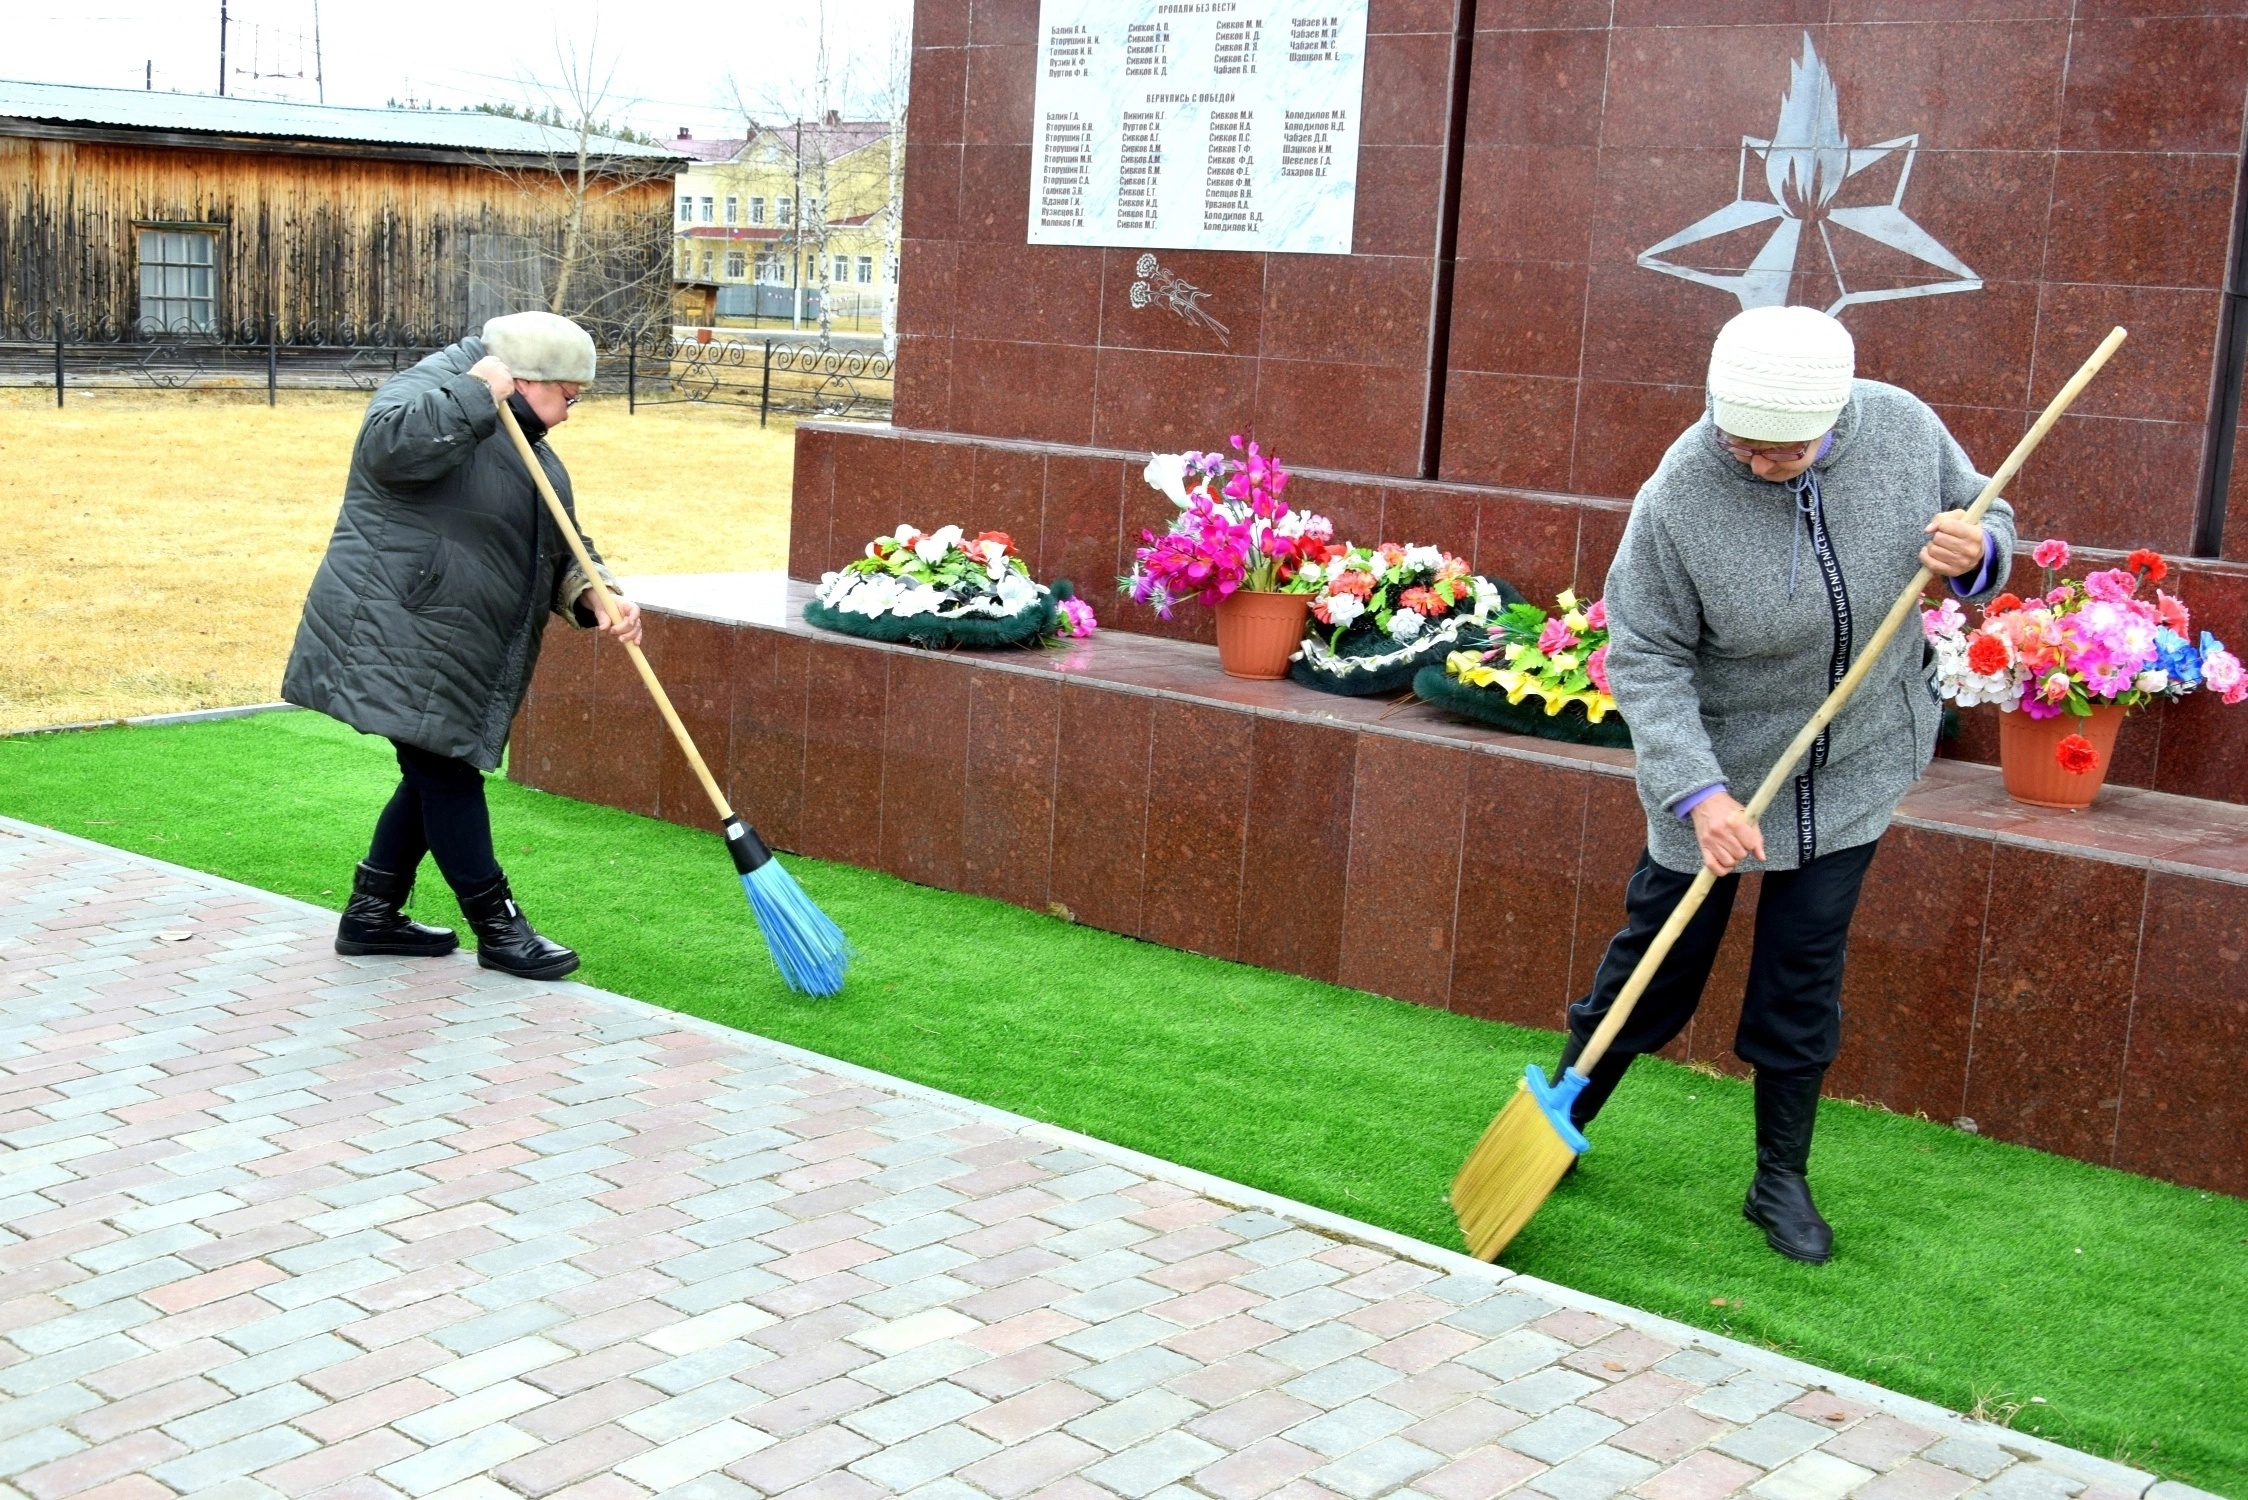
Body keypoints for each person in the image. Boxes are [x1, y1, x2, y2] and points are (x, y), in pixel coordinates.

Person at [1566, 305, 2015, 1264]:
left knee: (1801, 974)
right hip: (1720, 765)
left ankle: (1780, 1179)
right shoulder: (1683, 489)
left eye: (1784, 448)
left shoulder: (1900, 427)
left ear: (1835, 413)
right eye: (1742, 441)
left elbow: (1988, 509)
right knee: (1661, 959)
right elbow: (1642, 652)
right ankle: (1563, 1112)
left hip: (1858, 754)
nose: (1758, 460)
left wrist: (1974, 555)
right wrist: (1700, 793)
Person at [283, 311, 643, 980]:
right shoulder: (437, 396)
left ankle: (372, 914)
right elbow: (389, 449)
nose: (568, 414)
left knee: (434, 769)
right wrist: (479, 392)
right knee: (445, 773)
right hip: (400, 624)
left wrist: (594, 589)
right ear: (526, 377)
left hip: (444, 632)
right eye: (568, 397)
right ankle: (498, 928)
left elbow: (548, 530)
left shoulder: (520, 430)